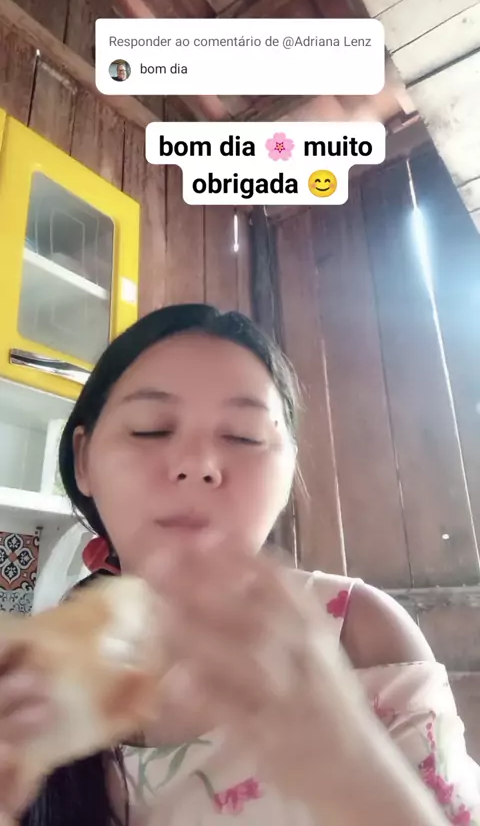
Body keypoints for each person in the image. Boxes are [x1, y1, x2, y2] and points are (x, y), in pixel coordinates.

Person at [1, 303, 478, 826]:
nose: (197, 464)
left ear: (289, 472)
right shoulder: (38, 676)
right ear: (84, 459)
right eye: (150, 429)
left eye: (244, 436)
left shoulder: (356, 632)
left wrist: (344, 758)